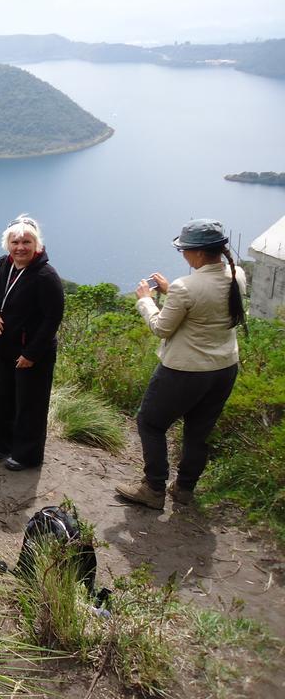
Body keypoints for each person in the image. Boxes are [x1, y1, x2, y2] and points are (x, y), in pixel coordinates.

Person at [116, 218, 247, 510]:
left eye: (184, 250)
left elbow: (162, 328)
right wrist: (169, 292)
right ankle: (184, 489)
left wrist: (146, 300)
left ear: (198, 253)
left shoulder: (185, 287)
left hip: (185, 371)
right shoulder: (236, 275)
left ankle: (153, 488)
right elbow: (206, 307)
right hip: (224, 369)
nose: (184, 255)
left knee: (150, 422)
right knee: (198, 431)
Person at [0, 214, 64, 471]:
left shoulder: (45, 276)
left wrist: (31, 353)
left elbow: (52, 319)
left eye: (26, 242)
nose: (20, 247)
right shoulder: (3, 265)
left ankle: (26, 456)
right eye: (15, 242)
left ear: (37, 244)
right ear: (7, 244)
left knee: (30, 405)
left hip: (31, 354)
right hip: (4, 349)